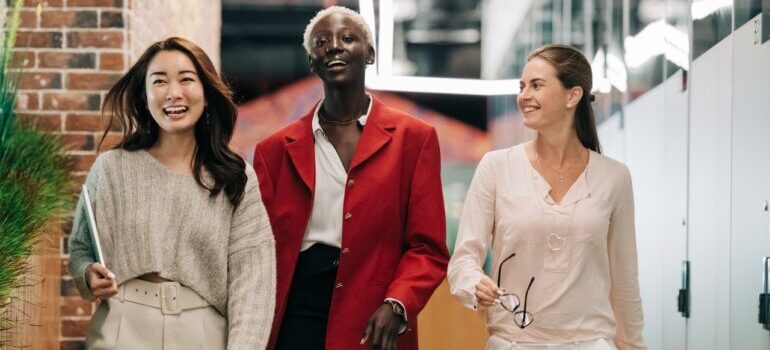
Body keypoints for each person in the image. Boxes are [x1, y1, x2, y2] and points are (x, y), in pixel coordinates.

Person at [253, 6, 449, 350]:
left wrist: (398, 304)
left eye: (347, 38)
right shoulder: (274, 151)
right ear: (312, 61)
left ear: (370, 54)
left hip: (375, 315)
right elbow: (256, 248)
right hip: (293, 313)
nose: (334, 46)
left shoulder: (414, 139)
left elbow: (427, 248)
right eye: (322, 41)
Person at [68, 37, 276, 349]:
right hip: (122, 327)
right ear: (144, 95)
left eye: (186, 80)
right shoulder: (111, 168)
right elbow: (82, 248)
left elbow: (254, 284)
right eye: (159, 81)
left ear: (206, 93)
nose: (173, 93)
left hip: (204, 333)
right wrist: (87, 274)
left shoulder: (235, 178)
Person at [447, 44, 646, 350]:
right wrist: (474, 284)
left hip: (589, 343)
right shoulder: (496, 167)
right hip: (513, 342)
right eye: (522, 86)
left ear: (573, 95)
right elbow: (464, 260)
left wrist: (633, 346)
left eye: (537, 85)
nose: (523, 96)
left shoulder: (615, 177)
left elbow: (625, 281)